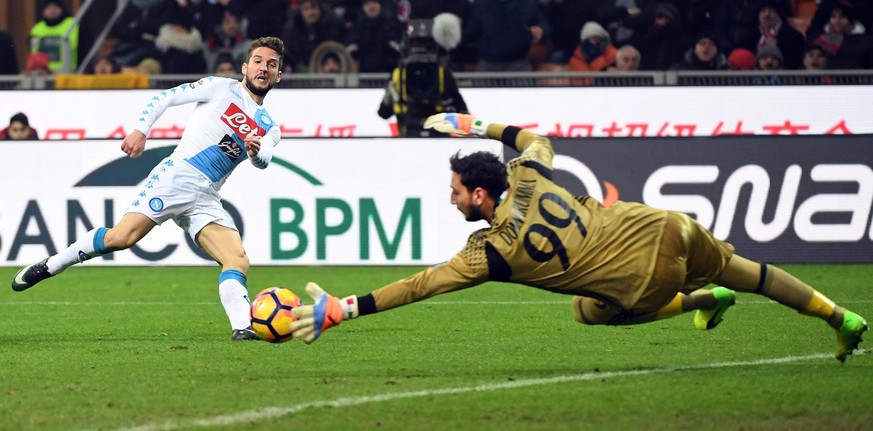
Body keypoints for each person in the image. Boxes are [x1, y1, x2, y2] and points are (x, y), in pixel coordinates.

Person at [287, 112, 868, 364]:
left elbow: (421, 285)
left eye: (457, 191)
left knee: (590, 314)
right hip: (667, 222)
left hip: (645, 279)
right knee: (755, 274)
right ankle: (838, 316)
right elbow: (537, 138)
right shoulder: (528, 174)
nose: (452, 198)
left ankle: (696, 300)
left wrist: (345, 308)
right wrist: (477, 127)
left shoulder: (490, 253)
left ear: (480, 197)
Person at [11, 37, 286, 342]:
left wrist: (254, 151)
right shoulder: (220, 87)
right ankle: (52, 264)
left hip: (206, 195)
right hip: (178, 176)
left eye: (271, 64)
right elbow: (165, 97)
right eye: (259, 61)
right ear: (245, 67)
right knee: (121, 238)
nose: (264, 68)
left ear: (278, 75)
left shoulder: (269, 126)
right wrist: (141, 130)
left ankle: (242, 328)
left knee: (237, 260)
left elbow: (264, 160)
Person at [377, 17, 468, 137]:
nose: (420, 51)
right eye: (416, 45)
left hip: (426, 128)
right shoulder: (399, 74)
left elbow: (384, 113)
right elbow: (462, 109)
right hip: (418, 127)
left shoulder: (440, 72)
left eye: (424, 45)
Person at [29, 0, 93, 73]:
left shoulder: (73, 26)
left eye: (55, 7)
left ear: (62, 8)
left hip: (70, 76)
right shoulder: (36, 29)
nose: (52, 10)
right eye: (48, 7)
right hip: (43, 77)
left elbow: (85, 51)